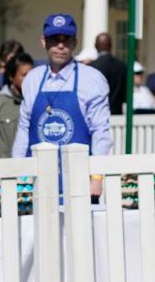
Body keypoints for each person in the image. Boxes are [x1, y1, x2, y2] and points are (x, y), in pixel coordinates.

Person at [11, 13, 112, 198]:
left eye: (66, 39)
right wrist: (16, 173)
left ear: (75, 42)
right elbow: (24, 130)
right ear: (43, 42)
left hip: (79, 180)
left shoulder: (91, 79)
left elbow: (101, 132)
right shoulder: (32, 79)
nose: (60, 45)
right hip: (36, 180)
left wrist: (97, 178)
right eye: (54, 39)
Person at [0, 53, 33, 159]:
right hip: (5, 171)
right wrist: (1, 160)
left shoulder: (38, 102)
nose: (29, 79)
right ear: (11, 76)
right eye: (24, 75)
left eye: (31, 75)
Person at [91, 32, 127, 115]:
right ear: (111, 45)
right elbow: (125, 95)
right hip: (117, 113)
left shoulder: (91, 67)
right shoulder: (122, 65)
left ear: (95, 46)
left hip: (97, 114)